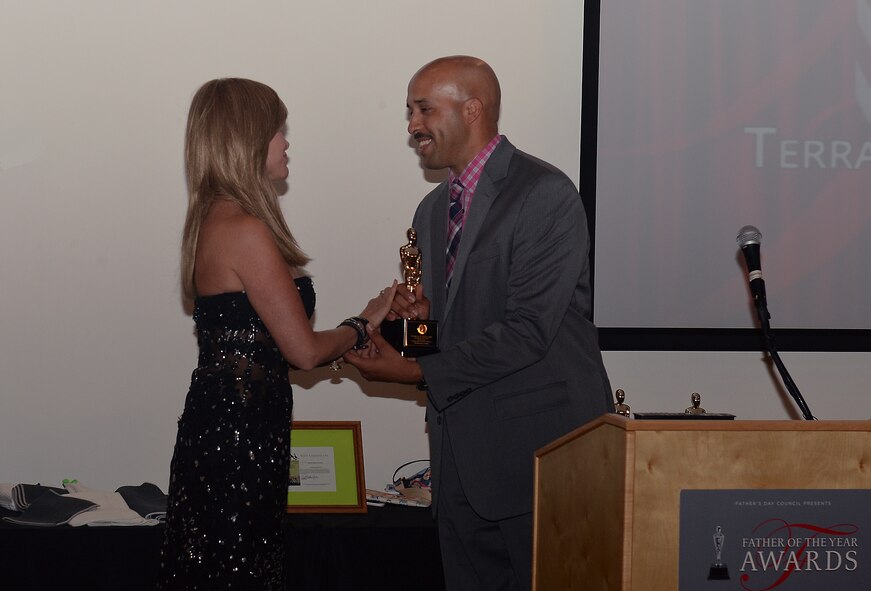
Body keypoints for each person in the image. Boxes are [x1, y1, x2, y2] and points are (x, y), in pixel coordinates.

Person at [344, 56, 614, 590]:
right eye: (409, 111)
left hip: (538, 463)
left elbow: (527, 332)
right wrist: (408, 331)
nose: (413, 125)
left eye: (424, 109)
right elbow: (449, 334)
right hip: (459, 467)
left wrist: (415, 374)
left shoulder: (544, 194)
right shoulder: (430, 210)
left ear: (473, 110)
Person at [158, 78, 396, 590]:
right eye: (277, 130)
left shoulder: (212, 220)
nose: (286, 142)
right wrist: (362, 324)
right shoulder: (244, 228)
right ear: (249, 139)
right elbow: (303, 352)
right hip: (239, 439)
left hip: (226, 429)